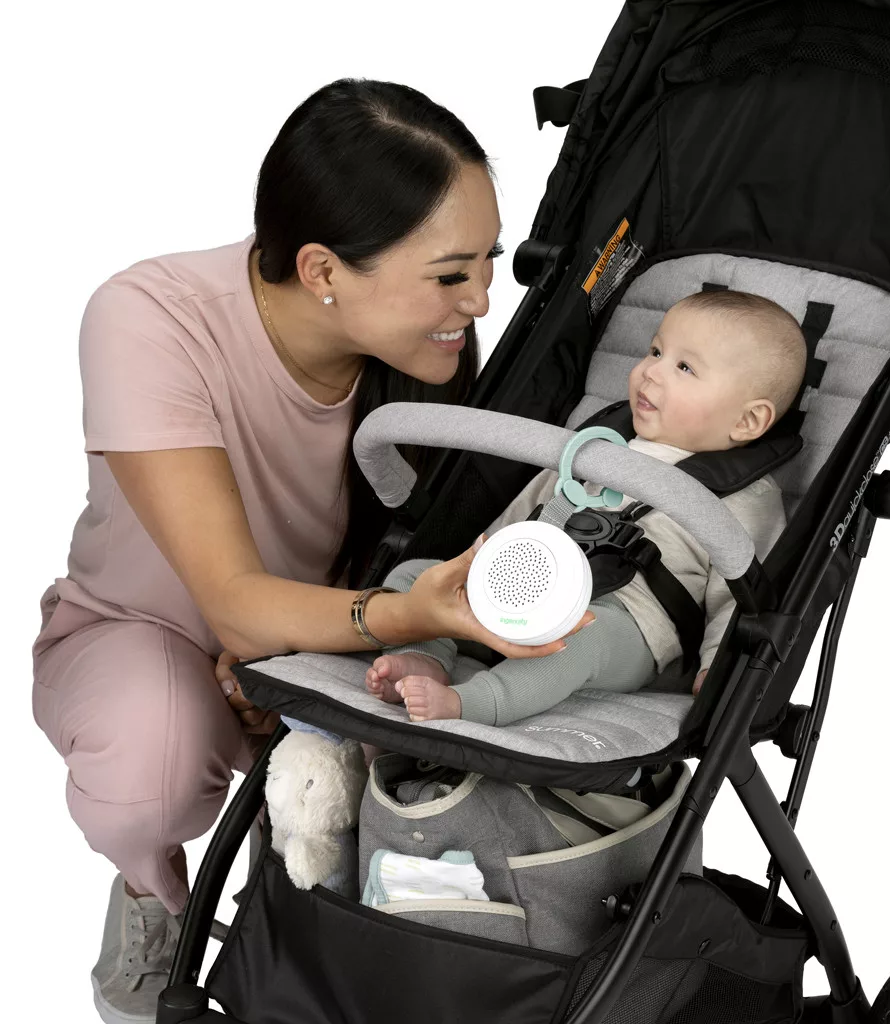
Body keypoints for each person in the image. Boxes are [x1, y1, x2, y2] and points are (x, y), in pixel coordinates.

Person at [31, 79, 590, 1024]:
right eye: (450, 275)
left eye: (489, 263)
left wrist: (323, 650)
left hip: (332, 630)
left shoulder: (419, 356)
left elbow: (412, 543)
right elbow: (235, 601)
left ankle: (320, 915)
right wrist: (381, 619)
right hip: (146, 627)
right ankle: (152, 895)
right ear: (323, 269)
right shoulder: (149, 318)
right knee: (148, 776)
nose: (481, 300)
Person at [365, 290, 807, 725]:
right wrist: (478, 569)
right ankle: (425, 657)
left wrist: (718, 666)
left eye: (684, 367)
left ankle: (474, 703)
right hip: (526, 585)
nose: (650, 372)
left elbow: (742, 594)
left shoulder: (745, 496)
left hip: (625, 621)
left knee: (583, 641)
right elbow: (528, 509)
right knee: (416, 575)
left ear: (747, 420)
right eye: (655, 351)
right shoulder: (597, 444)